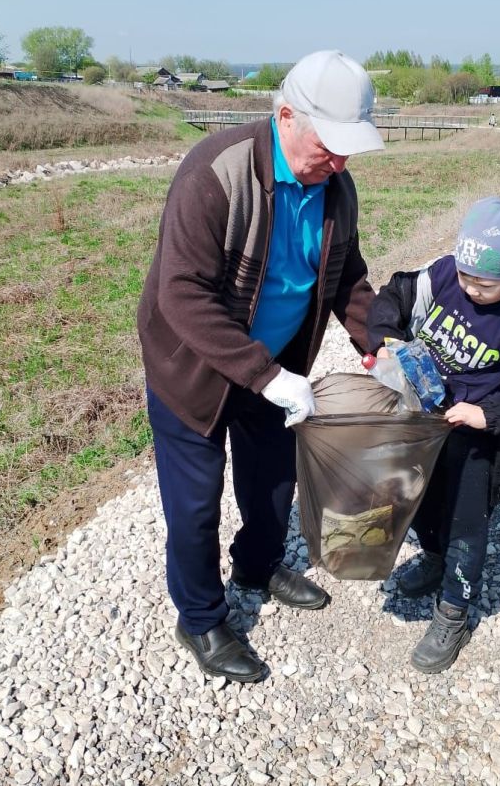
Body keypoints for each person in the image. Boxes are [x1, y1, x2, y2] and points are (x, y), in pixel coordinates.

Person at [137, 50, 384, 683]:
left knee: (273, 483)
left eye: (349, 150)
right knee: (195, 505)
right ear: (286, 116)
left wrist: (379, 344)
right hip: (194, 368)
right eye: (330, 145)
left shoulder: (336, 188)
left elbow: (346, 275)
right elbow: (180, 294)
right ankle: (199, 617)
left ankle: (257, 565)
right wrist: (267, 376)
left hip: (271, 366)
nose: (339, 162)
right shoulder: (214, 172)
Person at [366, 196, 500, 673]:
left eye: (486, 283)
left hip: (474, 440)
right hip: (422, 421)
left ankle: (454, 611)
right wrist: (387, 342)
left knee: (465, 526)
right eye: (466, 276)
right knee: (416, 500)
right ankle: (433, 557)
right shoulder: (442, 278)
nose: (472, 289)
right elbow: (392, 296)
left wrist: (486, 415)